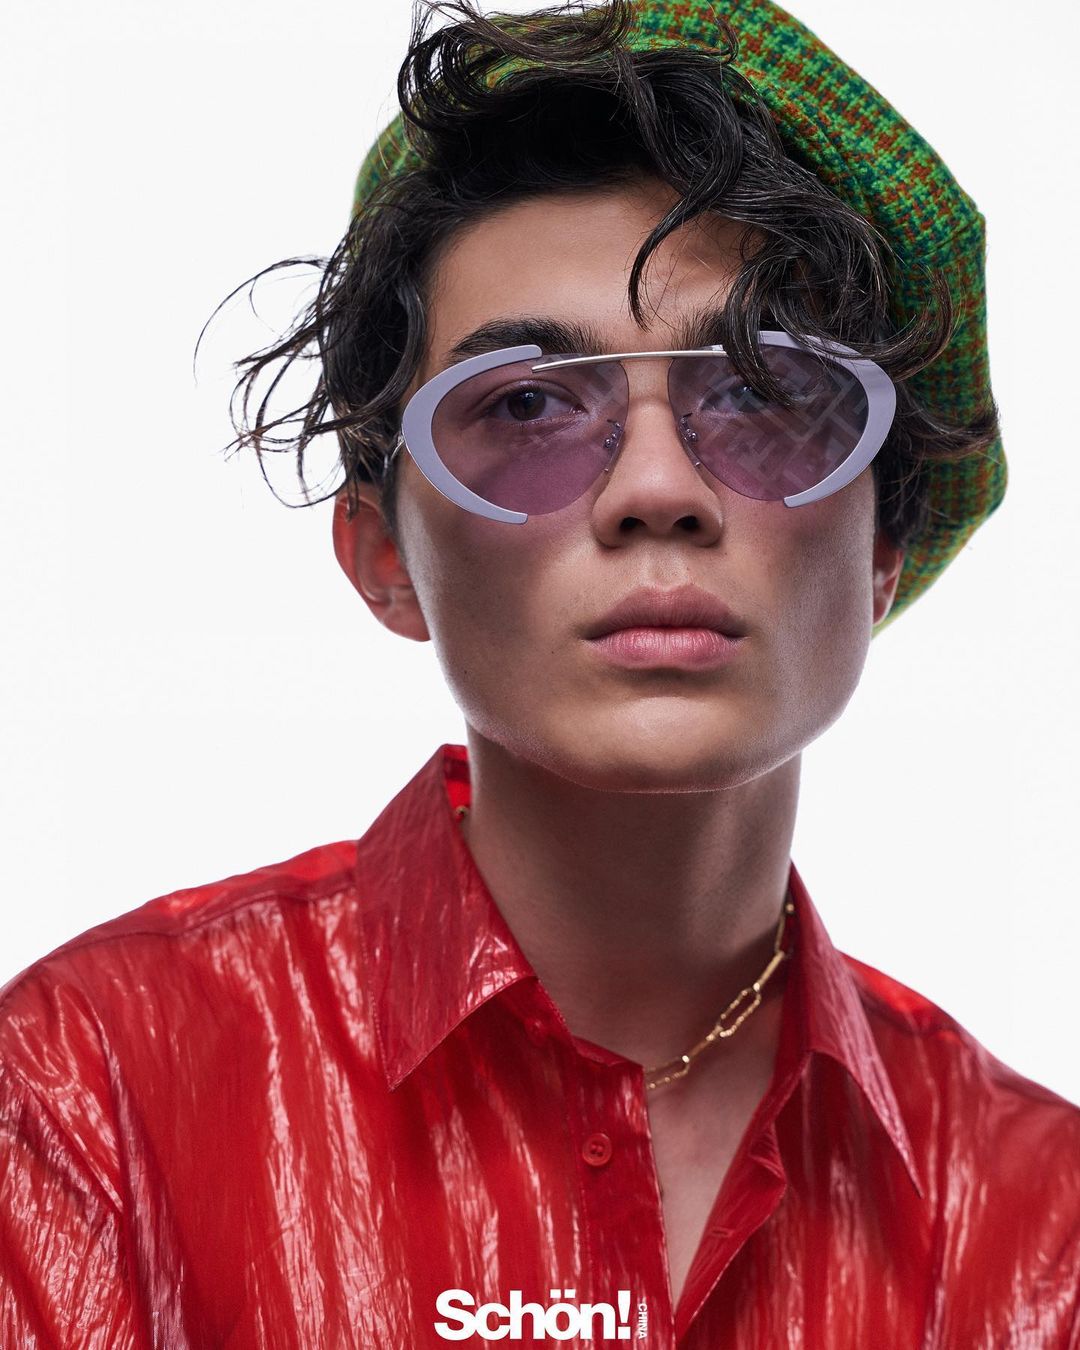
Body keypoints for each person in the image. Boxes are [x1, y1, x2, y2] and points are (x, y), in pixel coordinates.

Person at [1, 0, 1077, 1345]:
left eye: (760, 390)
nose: (656, 489)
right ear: (382, 555)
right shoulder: (95, 1089)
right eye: (524, 406)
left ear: (883, 549)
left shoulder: (1040, 1230)